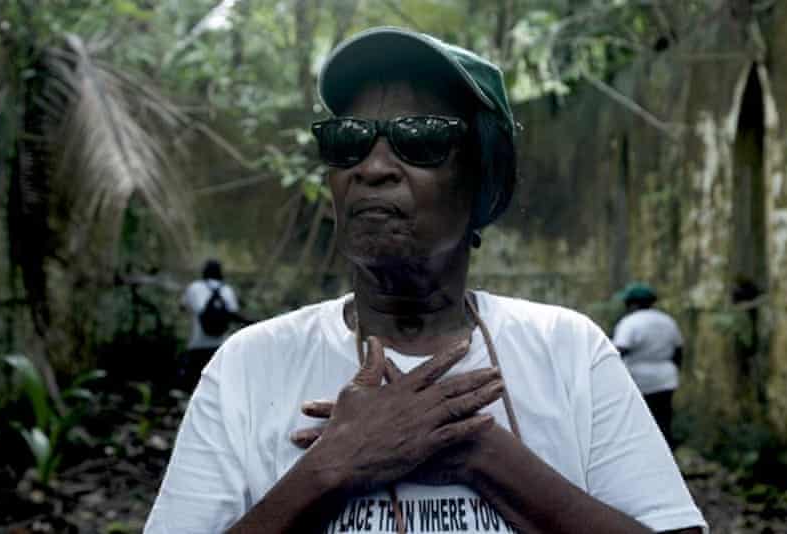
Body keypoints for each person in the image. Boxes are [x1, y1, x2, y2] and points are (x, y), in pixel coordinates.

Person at [146, 27, 706, 533]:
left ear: (483, 178)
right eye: (348, 140)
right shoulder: (249, 364)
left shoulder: (569, 350)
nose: (373, 166)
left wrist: (482, 452)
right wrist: (330, 469)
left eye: (420, 137)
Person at [612, 282, 684, 446]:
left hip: (638, 379)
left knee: (638, 422)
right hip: (666, 378)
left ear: (632, 304)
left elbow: (621, 349)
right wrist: (675, 370)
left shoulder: (630, 322)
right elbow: (678, 350)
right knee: (663, 419)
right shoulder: (667, 321)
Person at [178, 258, 243, 392]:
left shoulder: (195, 287)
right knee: (216, 386)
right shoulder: (227, 290)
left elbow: (182, 307)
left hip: (197, 345)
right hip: (220, 346)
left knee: (194, 385)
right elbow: (234, 313)